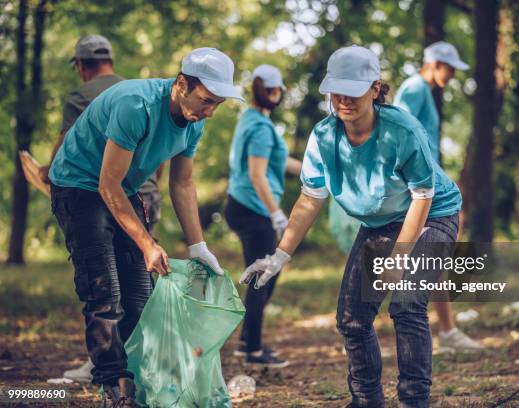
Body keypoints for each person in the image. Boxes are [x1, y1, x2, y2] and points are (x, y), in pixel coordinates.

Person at [241, 45, 462, 408]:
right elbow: (310, 199)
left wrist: (398, 259)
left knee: (407, 305)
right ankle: (366, 401)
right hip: (381, 223)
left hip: (433, 214)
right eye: (336, 90)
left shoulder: (401, 130)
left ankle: (413, 401)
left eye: (354, 89)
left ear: (375, 89)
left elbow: (423, 197)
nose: (343, 99)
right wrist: (279, 256)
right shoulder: (324, 137)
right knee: (352, 319)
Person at [48, 47, 243, 406]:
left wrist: (199, 246)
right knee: (104, 292)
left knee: (140, 298)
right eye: (206, 100)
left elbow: (182, 184)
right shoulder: (136, 105)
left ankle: (141, 381)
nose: (210, 111)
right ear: (182, 83)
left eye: (218, 104)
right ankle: (115, 388)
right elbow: (106, 184)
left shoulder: (193, 124)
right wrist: (147, 242)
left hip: (121, 190)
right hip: (78, 186)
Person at [39, 34, 166, 384]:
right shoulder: (135, 90)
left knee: (103, 284)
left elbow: (68, 139)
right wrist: (151, 188)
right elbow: (158, 156)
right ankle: (130, 366)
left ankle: (109, 368)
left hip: (99, 193)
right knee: (137, 286)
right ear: (109, 59)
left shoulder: (81, 95)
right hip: (145, 194)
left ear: (81, 65)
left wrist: (46, 173)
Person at [394, 41, 483, 354]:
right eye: (450, 68)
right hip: (417, 189)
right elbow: (399, 132)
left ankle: (446, 329)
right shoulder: (416, 88)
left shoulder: (423, 91)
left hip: (428, 184)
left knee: (434, 257)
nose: (454, 75)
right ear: (434, 64)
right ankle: (437, 332)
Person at [225, 64, 301, 368]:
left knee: (266, 275)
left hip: (243, 205)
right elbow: (258, 175)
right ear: (274, 91)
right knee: (262, 277)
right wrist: (276, 214)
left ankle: (248, 342)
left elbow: (275, 163)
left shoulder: (253, 120)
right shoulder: (259, 127)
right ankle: (252, 350)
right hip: (253, 209)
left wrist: (312, 167)